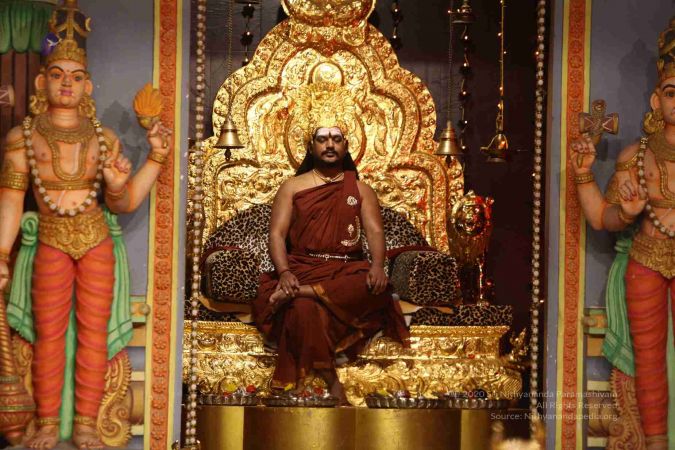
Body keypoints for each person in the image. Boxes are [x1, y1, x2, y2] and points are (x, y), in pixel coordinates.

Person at [0, 2, 170, 448]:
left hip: (95, 239)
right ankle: (46, 423)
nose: (67, 83)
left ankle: (87, 425)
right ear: (42, 81)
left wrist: (147, 163)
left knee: (94, 335)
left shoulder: (104, 138)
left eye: (76, 77)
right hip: (51, 239)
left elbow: (123, 202)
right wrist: (1, 255)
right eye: (57, 75)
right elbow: (11, 201)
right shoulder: (23, 137)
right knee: (49, 335)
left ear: (88, 85)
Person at [570, 18, 675, 450]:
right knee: (648, 358)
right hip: (647, 258)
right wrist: (584, 175)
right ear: (656, 99)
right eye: (672, 93)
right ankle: (655, 442)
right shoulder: (635, 156)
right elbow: (602, 218)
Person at [251, 124, 410, 404]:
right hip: (303, 268)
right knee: (302, 309)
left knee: (373, 286)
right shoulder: (292, 187)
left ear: (345, 147)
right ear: (311, 146)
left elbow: (374, 231)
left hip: (346, 270)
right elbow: (276, 234)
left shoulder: (360, 189)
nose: (329, 145)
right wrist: (284, 273)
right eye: (322, 139)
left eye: (336, 139)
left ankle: (297, 292)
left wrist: (377, 266)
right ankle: (331, 380)